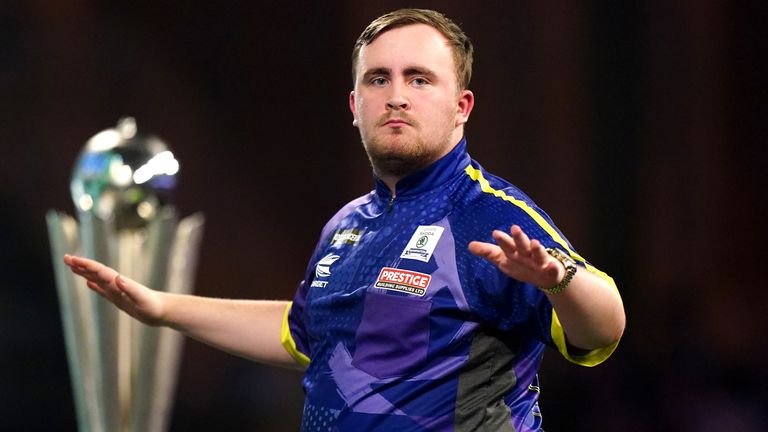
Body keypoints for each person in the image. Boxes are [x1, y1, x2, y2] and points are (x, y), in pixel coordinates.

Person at [64, 8, 625, 431]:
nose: (396, 96)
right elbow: (301, 335)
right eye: (378, 79)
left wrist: (559, 281)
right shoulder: (347, 226)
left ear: (462, 107)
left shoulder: (487, 213)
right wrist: (161, 308)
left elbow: (604, 327)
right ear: (355, 106)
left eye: (420, 78)